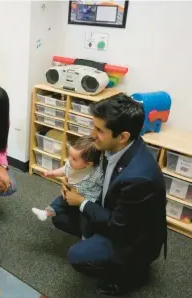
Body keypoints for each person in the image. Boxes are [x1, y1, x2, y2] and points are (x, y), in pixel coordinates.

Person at [51, 93, 167, 296]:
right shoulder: (112, 146)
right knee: (58, 214)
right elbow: (90, 172)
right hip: (112, 211)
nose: (92, 133)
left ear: (122, 136)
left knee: (77, 255)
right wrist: (71, 182)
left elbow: (118, 227)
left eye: (99, 130)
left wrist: (82, 202)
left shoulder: (139, 178)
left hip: (131, 238)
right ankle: (95, 242)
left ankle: (131, 274)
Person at [32, 136, 103, 238]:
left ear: (88, 164)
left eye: (74, 159)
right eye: (70, 155)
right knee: (60, 200)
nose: (69, 159)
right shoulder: (71, 165)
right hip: (71, 193)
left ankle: (86, 237)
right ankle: (46, 213)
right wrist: (51, 173)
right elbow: (64, 170)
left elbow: (103, 186)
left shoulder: (96, 173)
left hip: (87, 200)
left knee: (85, 219)